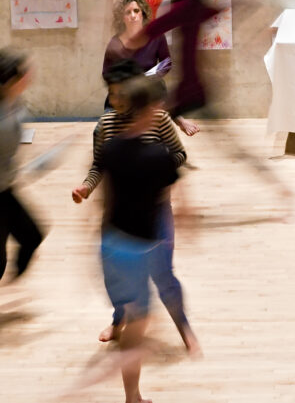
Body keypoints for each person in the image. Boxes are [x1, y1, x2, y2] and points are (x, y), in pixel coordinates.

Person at [71, 60, 199, 354]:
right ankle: (119, 323)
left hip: (156, 211)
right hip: (118, 211)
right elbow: (97, 167)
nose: (115, 100)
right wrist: (86, 189)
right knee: (117, 278)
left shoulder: (159, 119)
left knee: (164, 274)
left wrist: (158, 165)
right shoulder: (105, 126)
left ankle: (184, 328)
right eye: (111, 94)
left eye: (119, 93)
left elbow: (179, 155)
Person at [97, 76, 184, 403]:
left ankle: (132, 394)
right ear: (149, 109)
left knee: (136, 321)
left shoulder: (110, 148)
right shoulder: (159, 156)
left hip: (110, 245)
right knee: (138, 331)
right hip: (137, 250)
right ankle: (129, 395)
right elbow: (166, 206)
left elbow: (102, 203)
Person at [103, 0, 197, 136]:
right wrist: (127, 84)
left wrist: (144, 80)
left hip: (148, 90)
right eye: (128, 12)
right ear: (122, 17)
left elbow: (166, 63)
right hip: (123, 94)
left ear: (143, 14)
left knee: (159, 88)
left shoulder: (156, 36)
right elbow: (106, 73)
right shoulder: (115, 42)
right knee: (105, 130)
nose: (133, 15)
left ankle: (177, 118)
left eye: (136, 11)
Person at [0, 50, 44, 283]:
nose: (28, 77)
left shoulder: (13, 102)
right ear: (8, 82)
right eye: (22, 75)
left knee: (32, 236)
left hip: (5, 189)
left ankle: (13, 277)